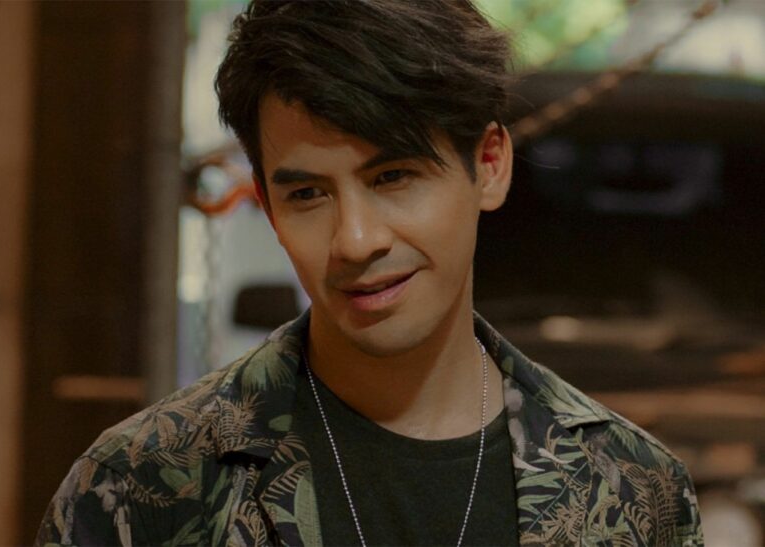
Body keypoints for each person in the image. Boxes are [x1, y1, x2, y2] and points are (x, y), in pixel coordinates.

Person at [37, 1, 703, 545]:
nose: (355, 241)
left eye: (394, 177)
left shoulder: (632, 489)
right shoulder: (144, 484)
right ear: (267, 206)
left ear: (489, 164)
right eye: (307, 194)